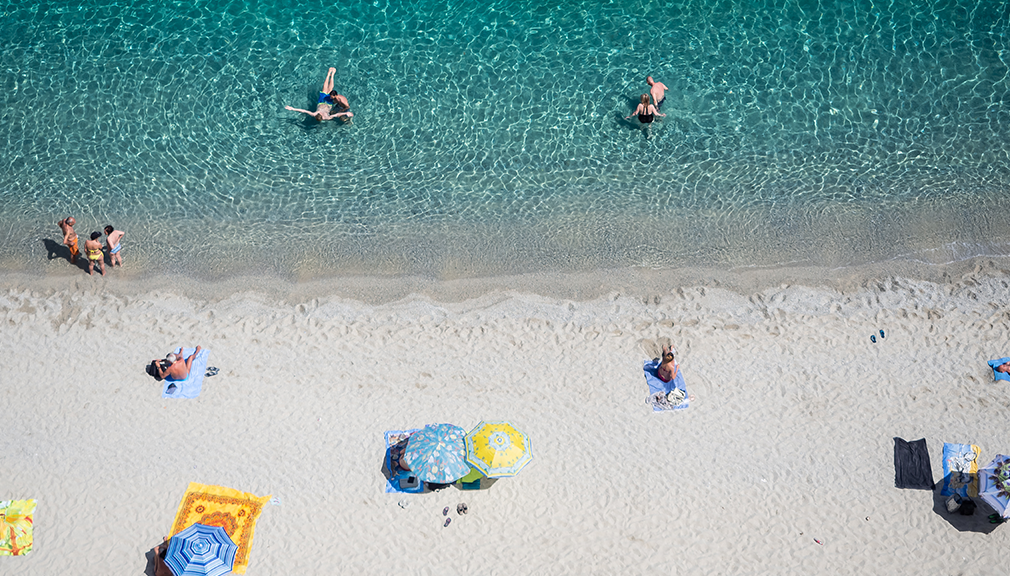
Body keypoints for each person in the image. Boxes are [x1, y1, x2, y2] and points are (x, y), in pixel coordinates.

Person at [284, 67, 353, 122]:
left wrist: (292, 108)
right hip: (328, 103)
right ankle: (331, 75)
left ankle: (329, 73)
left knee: (325, 89)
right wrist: (345, 113)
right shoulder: (326, 117)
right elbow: (337, 115)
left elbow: (304, 111)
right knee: (329, 90)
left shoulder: (315, 114)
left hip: (321, 101)